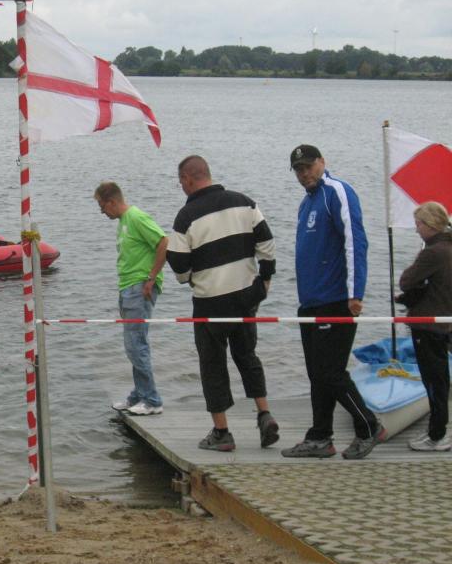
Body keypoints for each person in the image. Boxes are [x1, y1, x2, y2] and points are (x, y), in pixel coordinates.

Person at [165, 155, 278, 451]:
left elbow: (178, 262)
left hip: (210, 301)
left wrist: (189, 278)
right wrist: (265, 280)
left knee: (212, 364)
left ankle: (222, 432)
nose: (181, 187)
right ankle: (264, 414)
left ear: (188, 179)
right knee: (247, 356)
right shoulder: (244, 202)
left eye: (180, 182)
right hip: (245, 295)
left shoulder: (186, 216)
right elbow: (266, 242)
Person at [282, 144, 385, 460]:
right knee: (317, 373)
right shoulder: (306, 203)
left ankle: (368, 426)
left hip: (337, 299)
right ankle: (320, 436)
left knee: (331, 372)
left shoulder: (337, 192)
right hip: (311, 301)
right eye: (298, 170)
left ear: (322, 162)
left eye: (308, 166)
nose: (304, 174)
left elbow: (355, 242)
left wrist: (356, 292)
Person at [95, 181, 168, 416]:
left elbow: (163, 242)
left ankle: (152, 400)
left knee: (136, 344)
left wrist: (151, 277)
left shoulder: (136, 217)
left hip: (139, 287)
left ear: (112, 202)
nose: (102, 212)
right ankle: (139, 393)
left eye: (102, 206)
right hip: (127, 287)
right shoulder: (123, 222)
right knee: (131, 345)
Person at [398, 201, 452, 452]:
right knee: (440, 378)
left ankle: (437, 434)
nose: (417, 229)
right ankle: (437, 429)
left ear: (430, 225)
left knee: (433, 380)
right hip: (444, 321)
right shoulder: (448, 247)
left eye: (418, 224)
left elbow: (406, 280)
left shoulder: (433, 252)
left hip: (428, 325)